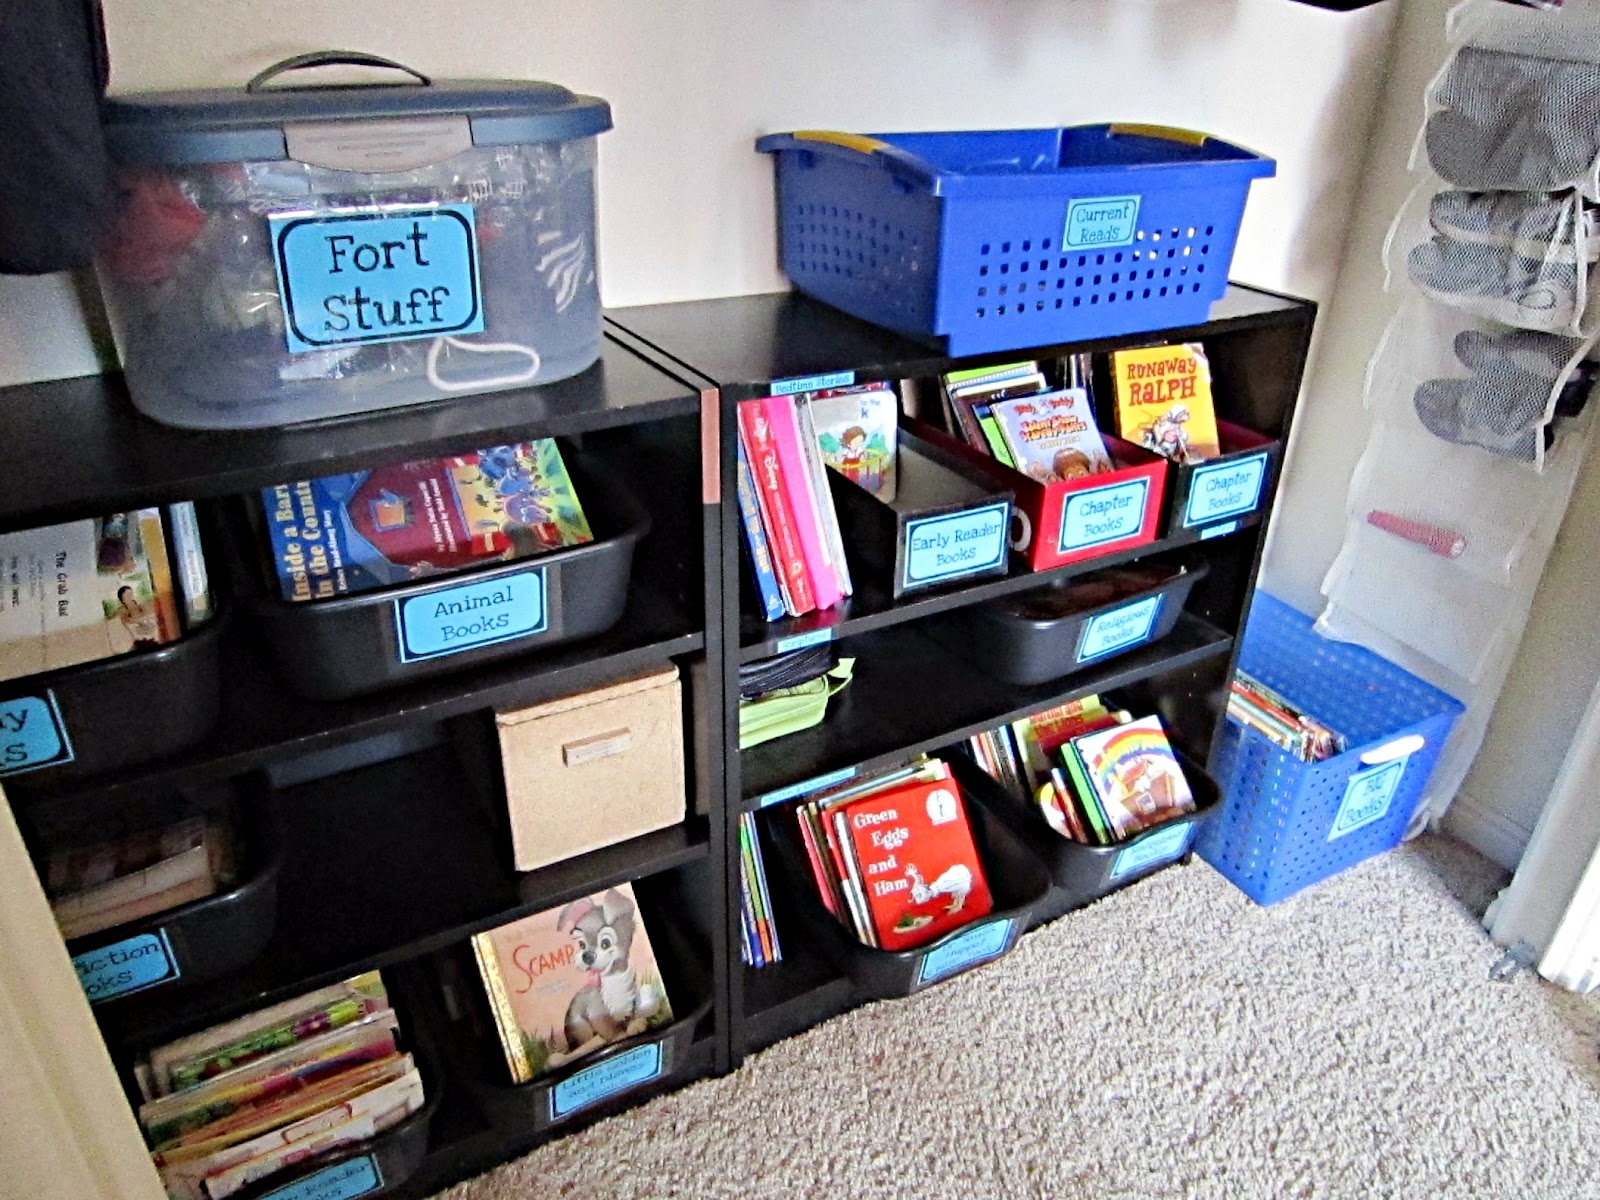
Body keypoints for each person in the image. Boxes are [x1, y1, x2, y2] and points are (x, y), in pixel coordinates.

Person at [116, 585, 161, 651]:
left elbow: (150, 623)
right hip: (138, 643)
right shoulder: (124, 613)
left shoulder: (141, 607)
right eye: (127, 596)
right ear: (122, 600)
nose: (130, 598)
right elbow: (129, 627)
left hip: (150, 639)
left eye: (131, 595)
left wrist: (140, 621)